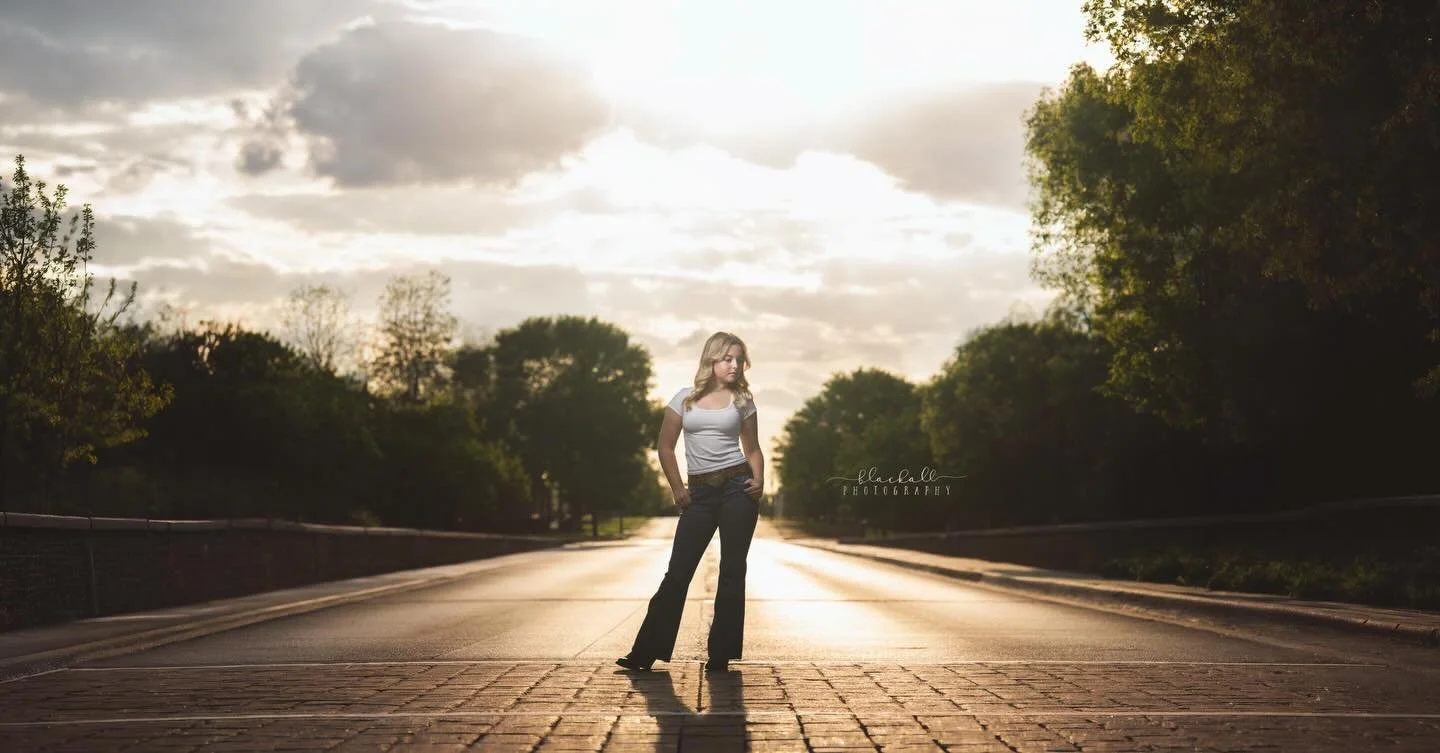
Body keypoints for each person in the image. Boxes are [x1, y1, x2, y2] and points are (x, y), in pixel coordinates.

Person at [617, 331, 764, 673]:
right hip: (698, 494)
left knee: (731, 570)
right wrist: (677, 486)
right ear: (711, 360)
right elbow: (665, 447)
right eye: (728, 358)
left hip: (736, 488)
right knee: (678, 572)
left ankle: (720, 654)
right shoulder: (683, 400)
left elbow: (752, 448)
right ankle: (645, 652)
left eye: (739, 359)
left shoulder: (743, 400)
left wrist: (759, 480)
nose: (734, 365)